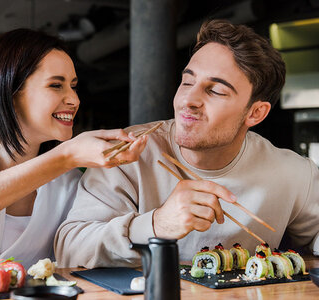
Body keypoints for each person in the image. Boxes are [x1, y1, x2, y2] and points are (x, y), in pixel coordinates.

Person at [55, 19, 319, 268]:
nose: (187, 100)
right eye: (187, 81)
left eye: (215, 90)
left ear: (255, 113)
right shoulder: (128, 151)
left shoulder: (293, 174)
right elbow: (69, 248)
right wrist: (157, 224)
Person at [0, 28, 148, 275]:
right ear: (9, 91)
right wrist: (65, 156)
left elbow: (85, 251)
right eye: (56, 85)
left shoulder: (69, 183)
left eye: (73, 86)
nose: (74, 99)